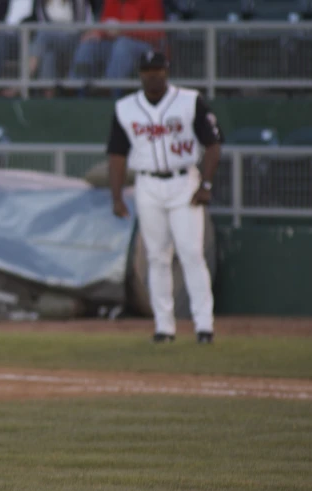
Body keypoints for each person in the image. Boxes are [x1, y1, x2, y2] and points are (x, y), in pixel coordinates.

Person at [107, 51, 222, 344]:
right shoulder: (126, 108)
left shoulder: (189, 100)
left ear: (167, 71)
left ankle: (204, 325)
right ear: (140, 74)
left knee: (191, 254)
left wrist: (206, 184)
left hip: (184, 181)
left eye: (157, 69)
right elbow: (117, 154)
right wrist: (117, 196)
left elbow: (213, 144)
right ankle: (164, 327)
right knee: (157, 257)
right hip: (147, 184)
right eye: (147, 70)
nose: (153, 75)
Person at [68, 0, 165, 97]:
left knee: (123, 45)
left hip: (144, 46)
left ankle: (109, 89)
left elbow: (155, 33)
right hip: (115, 43)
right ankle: (74, 86)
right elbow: (105, 23)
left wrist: (123, 30)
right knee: (89, 46)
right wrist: (97, 33)